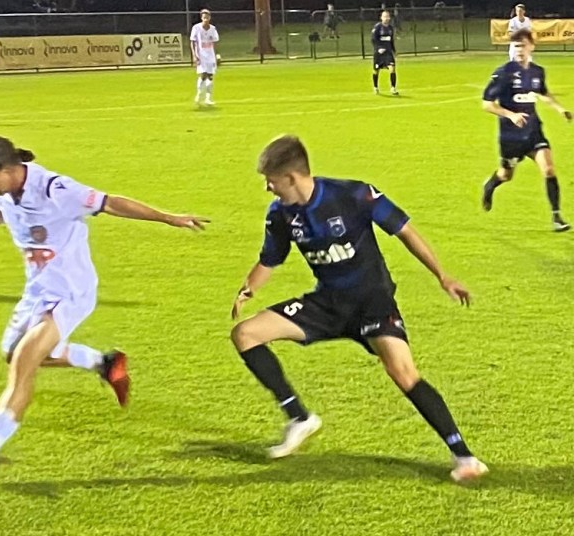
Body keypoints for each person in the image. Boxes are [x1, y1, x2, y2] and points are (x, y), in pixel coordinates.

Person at [229, 135, 488, 483]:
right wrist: (249, 288)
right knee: (246, 334)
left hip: (372, 304)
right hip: (327, 305)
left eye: (271, 181)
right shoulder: (280, 214)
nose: (268, 188)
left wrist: (443, 276)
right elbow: (270, 258)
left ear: (291, 177)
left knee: (404, 374)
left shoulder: (353, 195)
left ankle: (464, 457)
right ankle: (299, 418)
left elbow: (405, 231)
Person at [0, 135, 209, 475]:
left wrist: (168, 217)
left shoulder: (56, 190)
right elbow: (3, 211)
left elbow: (111, 202)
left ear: (9, 168)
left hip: (70, 291)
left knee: (24, 364)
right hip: (38, 291)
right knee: (13, 354)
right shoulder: (9, 193)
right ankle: (104, 363)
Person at [482, 29, 572, 232]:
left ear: (532, 46)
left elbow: (543, 92)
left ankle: (556, 217)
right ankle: (490, 185)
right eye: (515, 46)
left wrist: (560, 109)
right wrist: (511, 115)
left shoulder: (537, 72)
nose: (519, 50)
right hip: (511, 136)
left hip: (533, 132)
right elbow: (486, 104)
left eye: (522, 45)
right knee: (506, 175)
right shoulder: (503, 73)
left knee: (548, 169)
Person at [190, 9, 220, 107]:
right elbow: (193, 42)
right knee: (203, 75)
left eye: (207, 17)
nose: (206, 19)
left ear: (210, 18)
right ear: (201, 18)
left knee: (210, 76)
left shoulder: (213, 29)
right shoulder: (196, 28)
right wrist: (194, 55)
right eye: (204, 17)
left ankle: (208, 99)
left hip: (210, 56)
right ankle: (198, 95)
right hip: (201, 55)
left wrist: (216, 55)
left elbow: (215, 42)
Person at [371, 11, 398, 96]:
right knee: (376, 70)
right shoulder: (377, 27)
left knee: (392, 68)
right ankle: (375, 87)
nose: (386, 18)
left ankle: (393, 88)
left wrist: (394, 51)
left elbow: (391, 40)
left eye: (387, 16)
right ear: (381, 18)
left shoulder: (390, 28)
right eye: (384, 17)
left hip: (388, 52)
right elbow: (373, 39)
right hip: (379, 53)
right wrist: (378, 49)